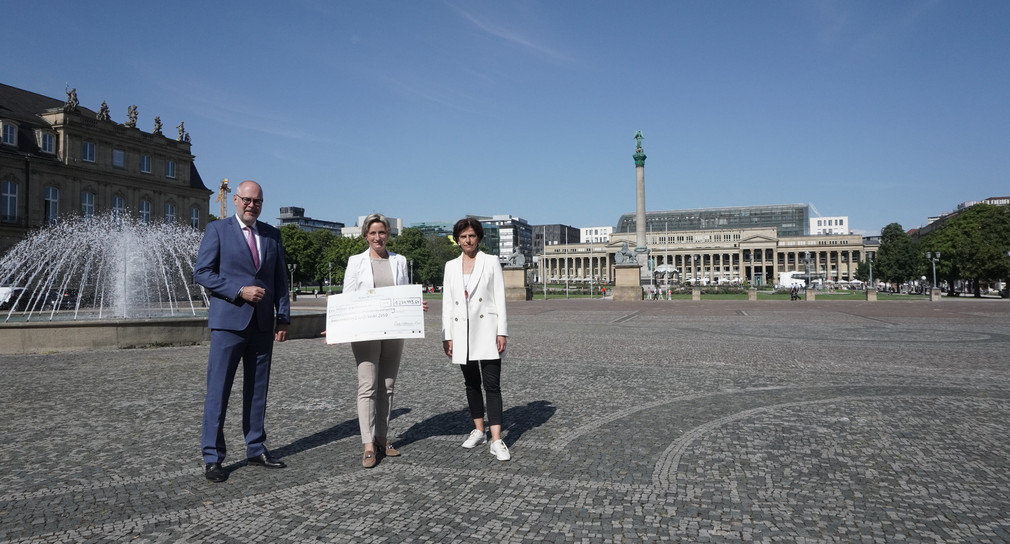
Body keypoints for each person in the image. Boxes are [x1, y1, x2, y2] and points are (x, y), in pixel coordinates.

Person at [194, 180, 290, 483]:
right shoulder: (218, 230)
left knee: (257, 391)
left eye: (258, 201)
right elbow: (202, 272)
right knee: (218, 391)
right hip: (228, 325)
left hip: (262, 326)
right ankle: (213, 457)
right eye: (247, 200)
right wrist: (239, 290)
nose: (252, 205)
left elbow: (279, 280)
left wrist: (283, 318)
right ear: (235, 200)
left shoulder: (272, 235)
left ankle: (255, 447)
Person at [342, 213, 427, 468]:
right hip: (366, 332)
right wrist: (337, 328)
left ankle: (381, 437)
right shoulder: (356, 262)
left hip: (393, 330)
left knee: (387, 386)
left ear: (388, 234)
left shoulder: (399, 261)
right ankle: (368, 444)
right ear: (365, 235)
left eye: (382, 233)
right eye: (373, 233)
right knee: (367, 386)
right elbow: (347, 299)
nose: (378, 237)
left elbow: (403, 294)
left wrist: (415, 306)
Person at [441, 218, 511, 461]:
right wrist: (446, 335)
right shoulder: (450, 266)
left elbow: (499, 297)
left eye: (471, 236)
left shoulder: (490, 262)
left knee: (492, 384)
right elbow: (447, 304)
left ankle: (497, 439)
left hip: (487, 329)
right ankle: (478, 429)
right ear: (457, 239)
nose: (467, 241)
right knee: (471, 384)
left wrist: (502, 331)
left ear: (478, 238)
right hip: (461, 331)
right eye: (463, 237)